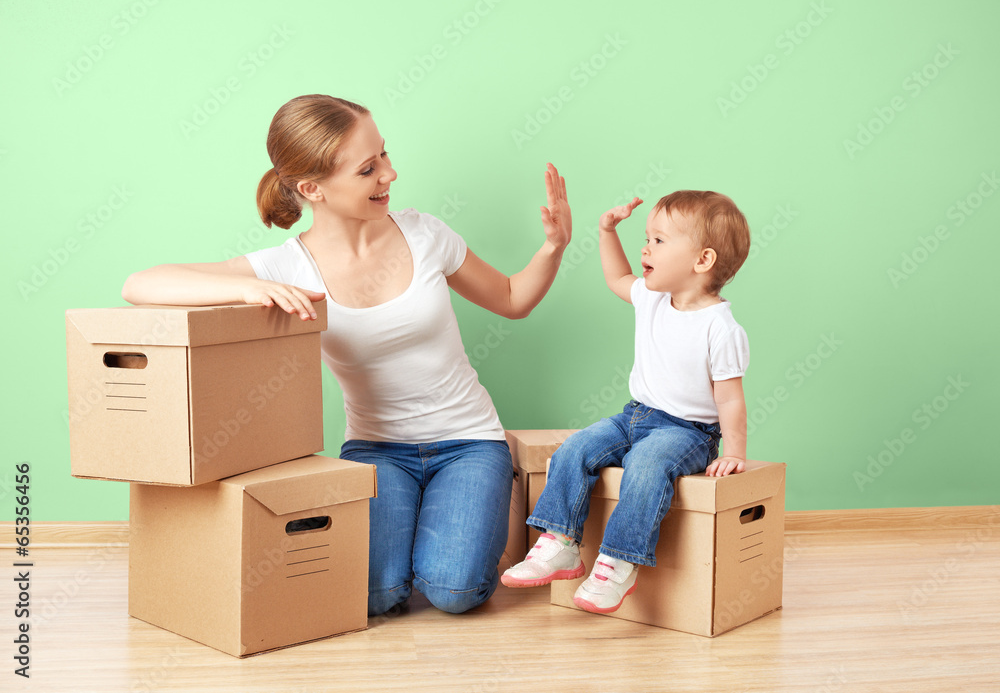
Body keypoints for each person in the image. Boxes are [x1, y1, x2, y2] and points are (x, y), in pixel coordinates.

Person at [122, 94, 572, 616]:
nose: (390, 173)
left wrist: (553, 248)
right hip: (377, 451)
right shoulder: (286, 266)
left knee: (455, 592)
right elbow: (141, 283)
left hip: (469, 442)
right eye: (368, 168)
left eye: (384, 155)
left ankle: (480, 501)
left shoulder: (425, 233)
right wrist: (245, 290)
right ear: (313, 188)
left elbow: (512, 300)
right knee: (375, 595)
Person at [500, 190, 750, 614]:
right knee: (574, 450)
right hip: (633, 415)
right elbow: (617, 277)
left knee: (647, 466)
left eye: (658, 240)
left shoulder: (721, 328)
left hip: (686, 431)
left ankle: (618, 562)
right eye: (647, 238)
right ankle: (560, 542)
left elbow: (730, 400)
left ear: (702, 261)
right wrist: (605, 230)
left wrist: (735, 452)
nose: (645, 248)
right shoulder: (653, 298)